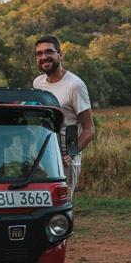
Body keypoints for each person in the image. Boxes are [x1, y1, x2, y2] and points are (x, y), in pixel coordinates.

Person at [32, 35, 95, 199]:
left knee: (61, 204)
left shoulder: (75, 85)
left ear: (60, 54)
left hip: (65, 158)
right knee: (42, 205)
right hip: (43, 155)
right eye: (39, 54)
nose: (44, 57)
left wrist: (71, 154)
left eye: (48, 52)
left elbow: (89, 130)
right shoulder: (37, 84)